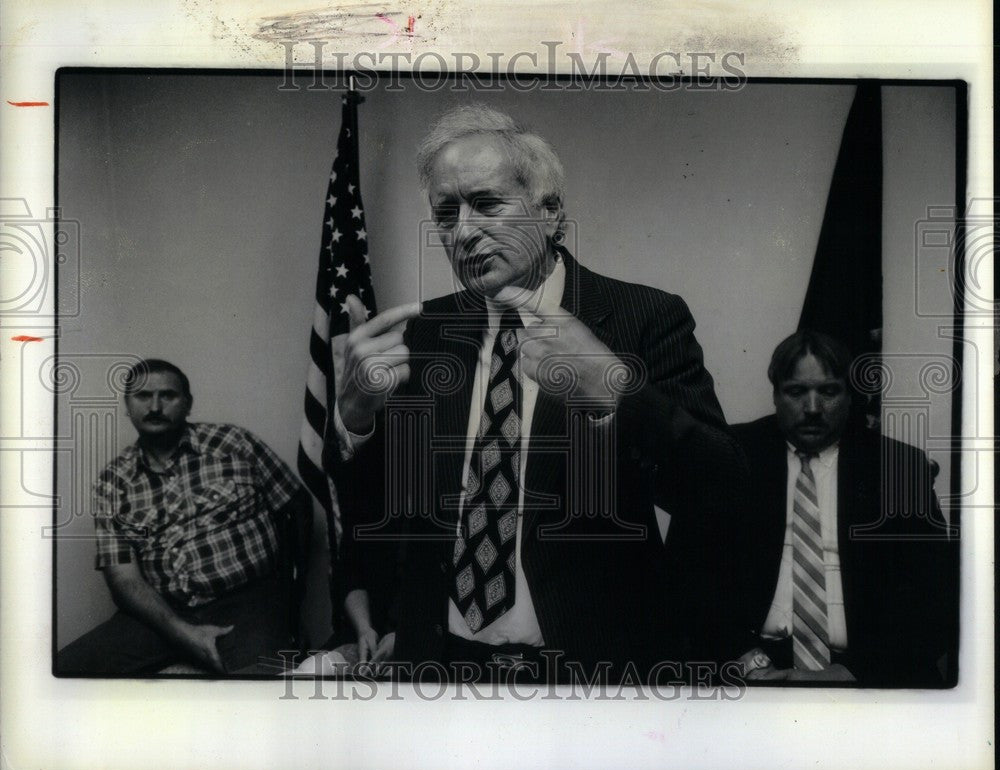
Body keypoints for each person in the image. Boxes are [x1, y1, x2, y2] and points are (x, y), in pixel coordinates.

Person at [330, 104, 746, 682]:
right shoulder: (425, 334)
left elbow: (721, 495)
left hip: (590, 671)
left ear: (550, 213)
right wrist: (354, 421)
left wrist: (615, 392)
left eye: (487, 204)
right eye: (446, 214)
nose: (464, 232)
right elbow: (381, 514)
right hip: (441, 670)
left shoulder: (641, 317)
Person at [733, 331, 959, 687]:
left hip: (870, 669)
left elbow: (936, 597)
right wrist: (746, 661)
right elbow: (690, 585)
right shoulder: (733, 457)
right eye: (796, 391)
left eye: (828, 391)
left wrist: (852, 672)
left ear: (851, 395)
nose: (812, 408)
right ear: (775, 395)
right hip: (756, 666)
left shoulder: (899, 467)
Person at [56, 359, 309, 675]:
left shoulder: (234, 444)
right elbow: (124, 579)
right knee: (67, 671)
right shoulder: (113, 481)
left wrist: (289, 592)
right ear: (127, 405)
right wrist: (184, 633)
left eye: (168, 396)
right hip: (162, 613)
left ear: (188, 404)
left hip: (247, 602)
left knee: (259, 688)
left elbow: (296, 505)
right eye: (143, 396)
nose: (155, 406)